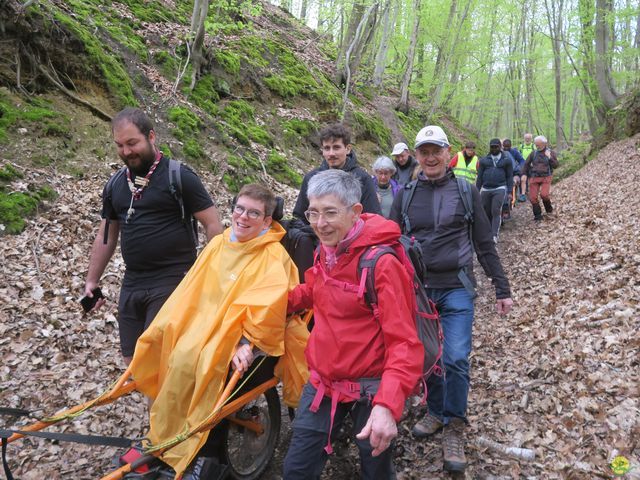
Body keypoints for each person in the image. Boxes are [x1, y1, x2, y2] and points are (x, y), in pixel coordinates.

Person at [128, 183, 309, 477]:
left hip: (238, 335)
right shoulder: (218, 243)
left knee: (202, 364)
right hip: (204, 325)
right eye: (239, 208)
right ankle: (163, 437)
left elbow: (268, 308)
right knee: (168, 350)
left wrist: (247, 343)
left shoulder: (273, 257)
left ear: (266, 221)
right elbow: (192, 291)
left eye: (254, 213)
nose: (243, 217)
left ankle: (200, 451)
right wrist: (168, 324)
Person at [283, 169, 423, 480]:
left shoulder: (381, 264)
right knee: (296, 470)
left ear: (355, 211)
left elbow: (404, 342)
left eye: (330, 212)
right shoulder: (326, 249)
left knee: (375, 471)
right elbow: (316, 290)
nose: (320, 223)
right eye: (313, 213)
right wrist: (276, 305)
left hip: (370, 389)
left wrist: (387, 406)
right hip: (322, 383)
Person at [389, 125, 513, 474]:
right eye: (424, 151)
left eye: (436, 151)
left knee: (456, 357)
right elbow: (388, 245)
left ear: (448, 154)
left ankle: (455, 424)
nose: (430, 157)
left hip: (458, 286)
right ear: (416, 156)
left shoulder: (466, 190)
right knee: (428, 357)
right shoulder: (406, 195)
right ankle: (437, 410)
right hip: (419, 291)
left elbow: (484, 243)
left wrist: (501, 288)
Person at [84, 107, 223, 365]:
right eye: (120, 145)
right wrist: (92, 280)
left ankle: (166, 405)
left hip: (173, 278)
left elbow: (213, 226)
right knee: (132, 361)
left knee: (156, 357)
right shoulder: (115, 185)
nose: (126, 152)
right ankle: (159, 405)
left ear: (151, 136)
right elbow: (107, 234)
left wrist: (207, 273)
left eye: (132, 143)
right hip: (133, 281)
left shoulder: (179, 176)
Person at [293, 123, 381, 223]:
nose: (331, 153)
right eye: (327, 148)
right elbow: (299, 218)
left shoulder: (362, 178)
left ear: (348, 149)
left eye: (336, 147)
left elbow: (373, 219)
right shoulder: (311, 178)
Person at [476, 138, 513, 243]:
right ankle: (487, 233)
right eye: (492, 147)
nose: (494, 149)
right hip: (486, 188)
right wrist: (476, 191)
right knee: (485, 212)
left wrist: (510, 191)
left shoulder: (506, 160)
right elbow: (479, 177)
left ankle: (494, 235)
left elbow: (509, 176)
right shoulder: (484, 160)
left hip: (500, 188)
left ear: (500, 147)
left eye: (496, 146)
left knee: (495, 210)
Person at [521, 135, 559, 221]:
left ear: (544, 144)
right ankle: (538, 216)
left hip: (546, 177)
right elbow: (526, 165)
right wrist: (524, 174)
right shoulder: (533, 153)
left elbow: (556, 165)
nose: (537, 147)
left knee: (544, 195)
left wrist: (549, 157)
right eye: (536, 145)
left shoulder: (550, 152)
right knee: (533, 198)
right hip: (534, 177)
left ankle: (549, 210)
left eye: (538, 145)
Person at [518, 133, 535, 201]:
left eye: (529, 138)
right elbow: (518, 156)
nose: (527, 139)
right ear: (524, 139)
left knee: (531, 180)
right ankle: (523, 194)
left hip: (532, 165)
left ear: (531, 139)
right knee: (523, 180)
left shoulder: (534, 146)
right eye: (526, 138)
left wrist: (533, 163)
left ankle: (532, 194)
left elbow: (536, 155)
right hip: (523, 166)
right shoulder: (521, 146)